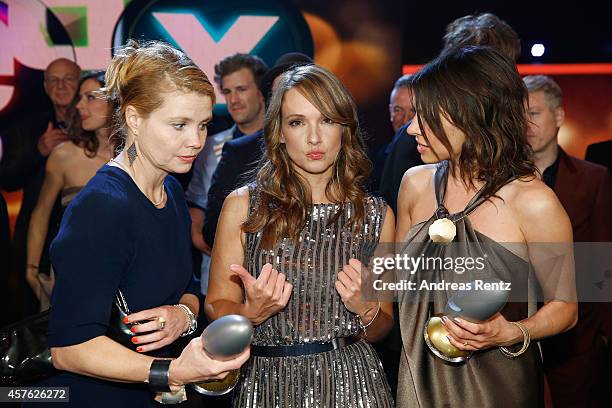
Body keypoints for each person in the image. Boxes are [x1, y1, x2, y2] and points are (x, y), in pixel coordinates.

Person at [27, 41, 249, 408]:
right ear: (134, 119)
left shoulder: (172, 192)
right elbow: (70, 349)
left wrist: (183, 313)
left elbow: (189, 287)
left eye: (203, 125)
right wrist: (171, 371)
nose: (195, 141)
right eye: (178, 124)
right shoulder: (102, 206)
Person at [395, 46, 577, 407]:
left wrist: (510, 331)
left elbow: (566, 308)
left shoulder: (533, 202)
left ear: (469, 115)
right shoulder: (414, 185)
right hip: (417, 381)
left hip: (498, 387)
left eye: (426, 115)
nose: (412, 127)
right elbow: (399, 288)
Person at [205, 64, 395, 407]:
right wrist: (252, 312)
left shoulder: (376, 215)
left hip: (352, 385)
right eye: (297, 122)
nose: (314, 138)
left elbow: (383, 327)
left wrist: (366, 310)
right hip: (266, 384)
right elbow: (216, 304)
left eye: (327, 120)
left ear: (344, 129)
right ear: (279, 132)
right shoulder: (244, 206)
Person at [523, 74, 612, 408]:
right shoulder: (503, 181)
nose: (525, 123)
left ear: (559, 116)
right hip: (516, 329)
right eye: (518, 115)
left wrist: (602, 335)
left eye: (533, 112)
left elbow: (602, 259)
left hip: (576, 340)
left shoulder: (592, 178)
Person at [202, 52, 313, 249]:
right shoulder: (238, 152)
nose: (292, 101)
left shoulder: (341, 153)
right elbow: (212, 230)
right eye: (282, 92)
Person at [26, 71, 114, 311]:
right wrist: (32, 270)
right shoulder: (64, 155)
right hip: (71, 273)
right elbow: (41, 214)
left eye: (90, 97)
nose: (79, 105)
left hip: (125, 271)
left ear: (117, 100)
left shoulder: (139, 157)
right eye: (80, 98)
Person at [0, 58, 79, 317]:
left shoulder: (98, 127)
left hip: (83, 235)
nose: (61, 86)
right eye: (54, 80)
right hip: (36, 239)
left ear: (79, 82)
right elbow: (7, 178)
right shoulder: (25, 126)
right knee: (32, 316)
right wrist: (39, 150)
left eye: (68, 78)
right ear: (45, 87)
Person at [186, 53, 268, 297]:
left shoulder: (285, 143)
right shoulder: (208, 146)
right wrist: (199, 237)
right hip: (219, 280)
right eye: (227, 91)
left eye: (241, 89)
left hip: (270, 278)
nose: (234, 100)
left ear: (262, 92)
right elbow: (196, 201)